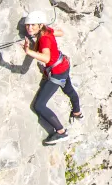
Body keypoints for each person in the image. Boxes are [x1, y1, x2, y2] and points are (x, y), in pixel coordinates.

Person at [20, 9, 80, 145]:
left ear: (40, 25)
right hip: (63, 65)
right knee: (68, 89)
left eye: (33, 25)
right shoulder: (46, 30)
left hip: (57, 73)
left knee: (39, 105)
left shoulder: (45, 38)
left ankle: (61, 132)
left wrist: (29, 51)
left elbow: (46, 58)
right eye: (28, 25)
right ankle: (77, 112)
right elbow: (60, 33)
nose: (29, 28)